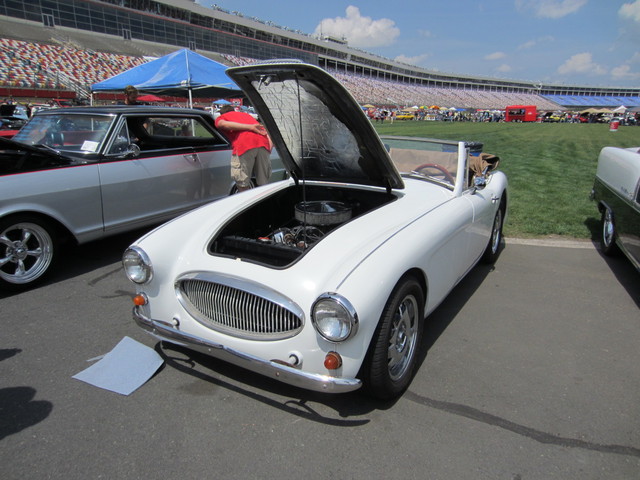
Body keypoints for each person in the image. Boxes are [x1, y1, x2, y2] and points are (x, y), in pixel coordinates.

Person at [215, 105, 272, 192]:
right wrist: (268, 150)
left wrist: (250, 127)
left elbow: (222, 124)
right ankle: (263, 202)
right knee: (263, 181)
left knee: (242, 181)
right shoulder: (247, 115)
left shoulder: (222, 117)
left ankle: (247, 202)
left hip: (244, 144)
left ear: (221, 113)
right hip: (263, 144)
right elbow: (267, 133)